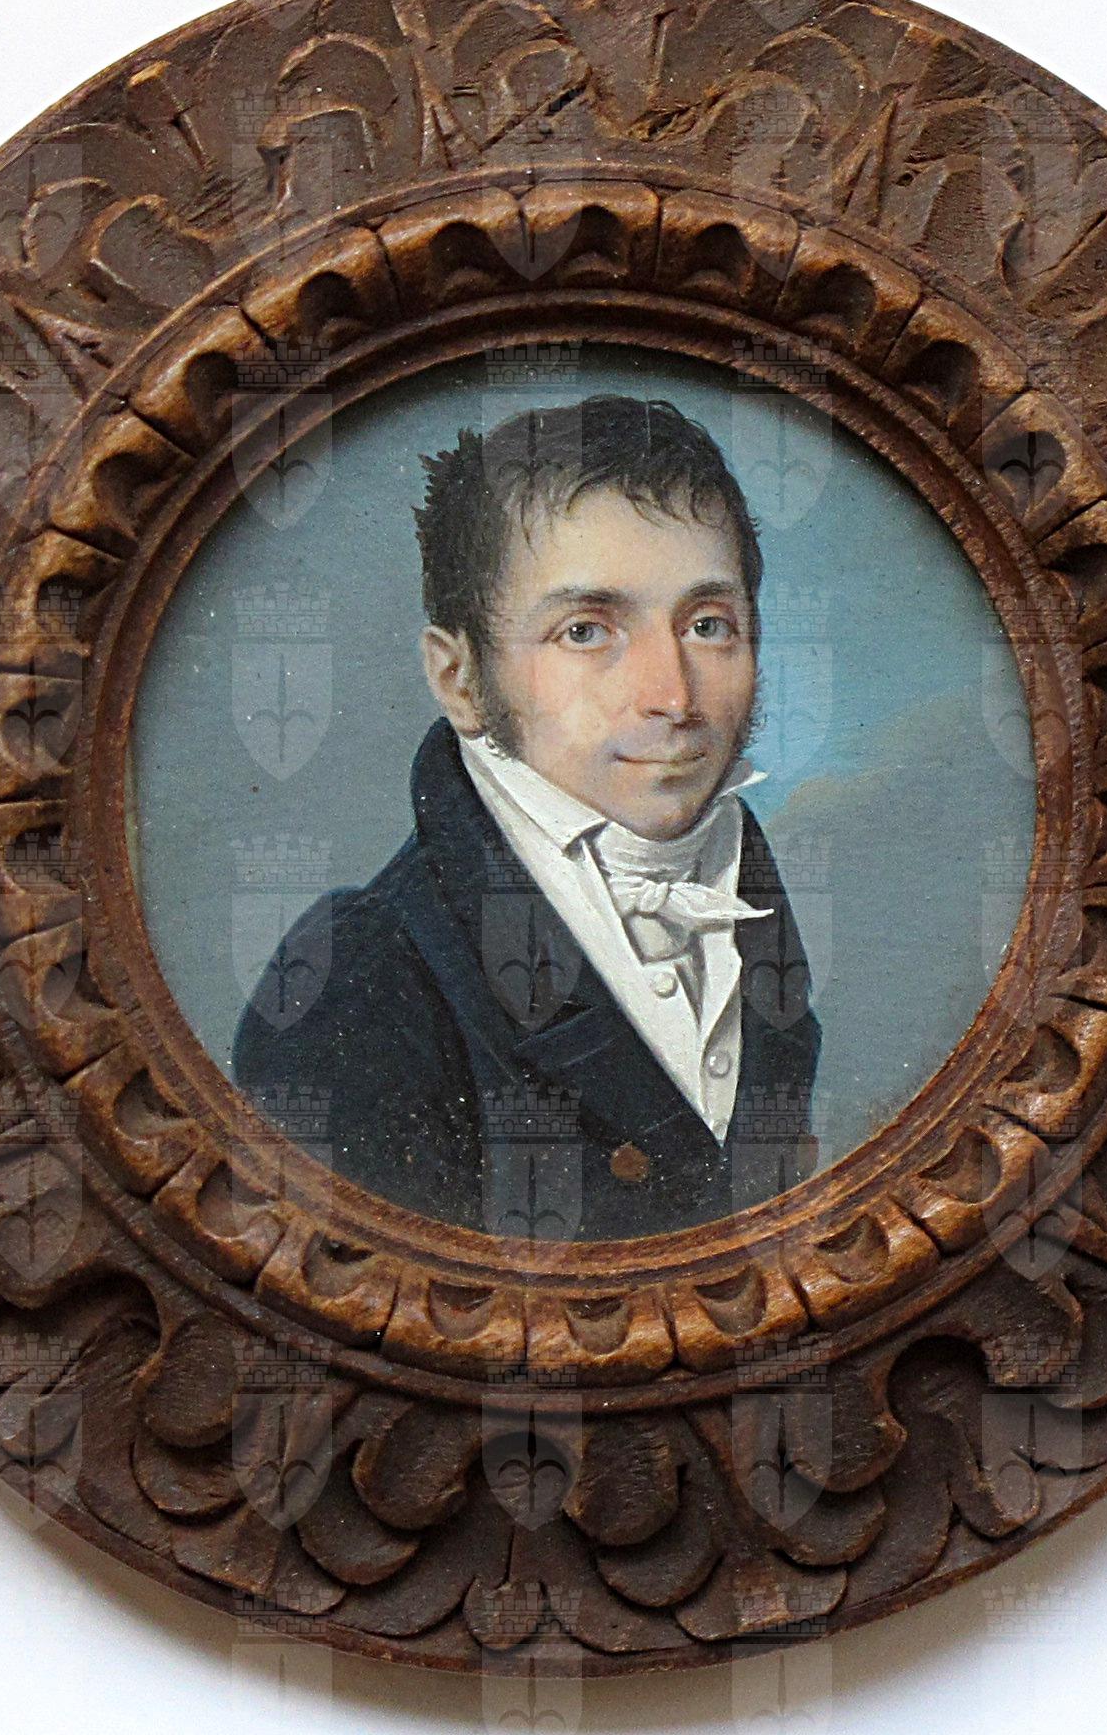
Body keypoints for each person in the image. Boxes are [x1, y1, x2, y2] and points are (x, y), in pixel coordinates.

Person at [232, 394, 820, 1240]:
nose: (673, 696)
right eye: (586, 631)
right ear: (460, 679)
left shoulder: (750, 915)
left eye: (706, 625)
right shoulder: (353, 981)